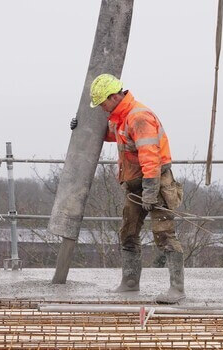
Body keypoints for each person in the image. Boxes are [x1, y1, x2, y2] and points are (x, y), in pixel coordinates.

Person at [70, 73, 185, 304]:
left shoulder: (139, 117)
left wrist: (151, 193)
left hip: (156, 183)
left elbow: (150, 159)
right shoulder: (122, 118)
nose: (102, 108)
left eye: (103, 103)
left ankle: (177, 289)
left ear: (113, 97)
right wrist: (81, 126)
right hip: (134, 186)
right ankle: (130, 282)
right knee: (128, 232)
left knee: (164, 234)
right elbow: (111, 134)